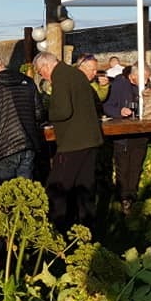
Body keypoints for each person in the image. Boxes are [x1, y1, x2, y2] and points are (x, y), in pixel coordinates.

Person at [32, 51, 103, 232]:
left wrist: (48, 114)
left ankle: (57, 229)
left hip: (73, 142)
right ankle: (87, 231)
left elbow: (63, 111)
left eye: (41, 72)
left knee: (57, 188)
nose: (43, 76)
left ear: (46, 66)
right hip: (90, 140)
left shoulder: (61, 77)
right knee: (85, 188)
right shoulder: (75, 74)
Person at [0, 56, 46, 193]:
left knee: (3, 196)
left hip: (2, 147)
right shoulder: (28, 82)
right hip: (28, 144)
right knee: (26, 194)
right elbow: (39, 114)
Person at [103, 61, 151, 214]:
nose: (146, 82)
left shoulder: (146, 85)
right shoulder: (119, 85)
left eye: (147, 78)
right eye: (143, 78)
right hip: (123, 134)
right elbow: (107, 106)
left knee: (136, 167)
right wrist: (120, 111)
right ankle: (123, 199)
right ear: (133, 76)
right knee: (123, 168)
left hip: (140, 133)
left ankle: (133, 197)